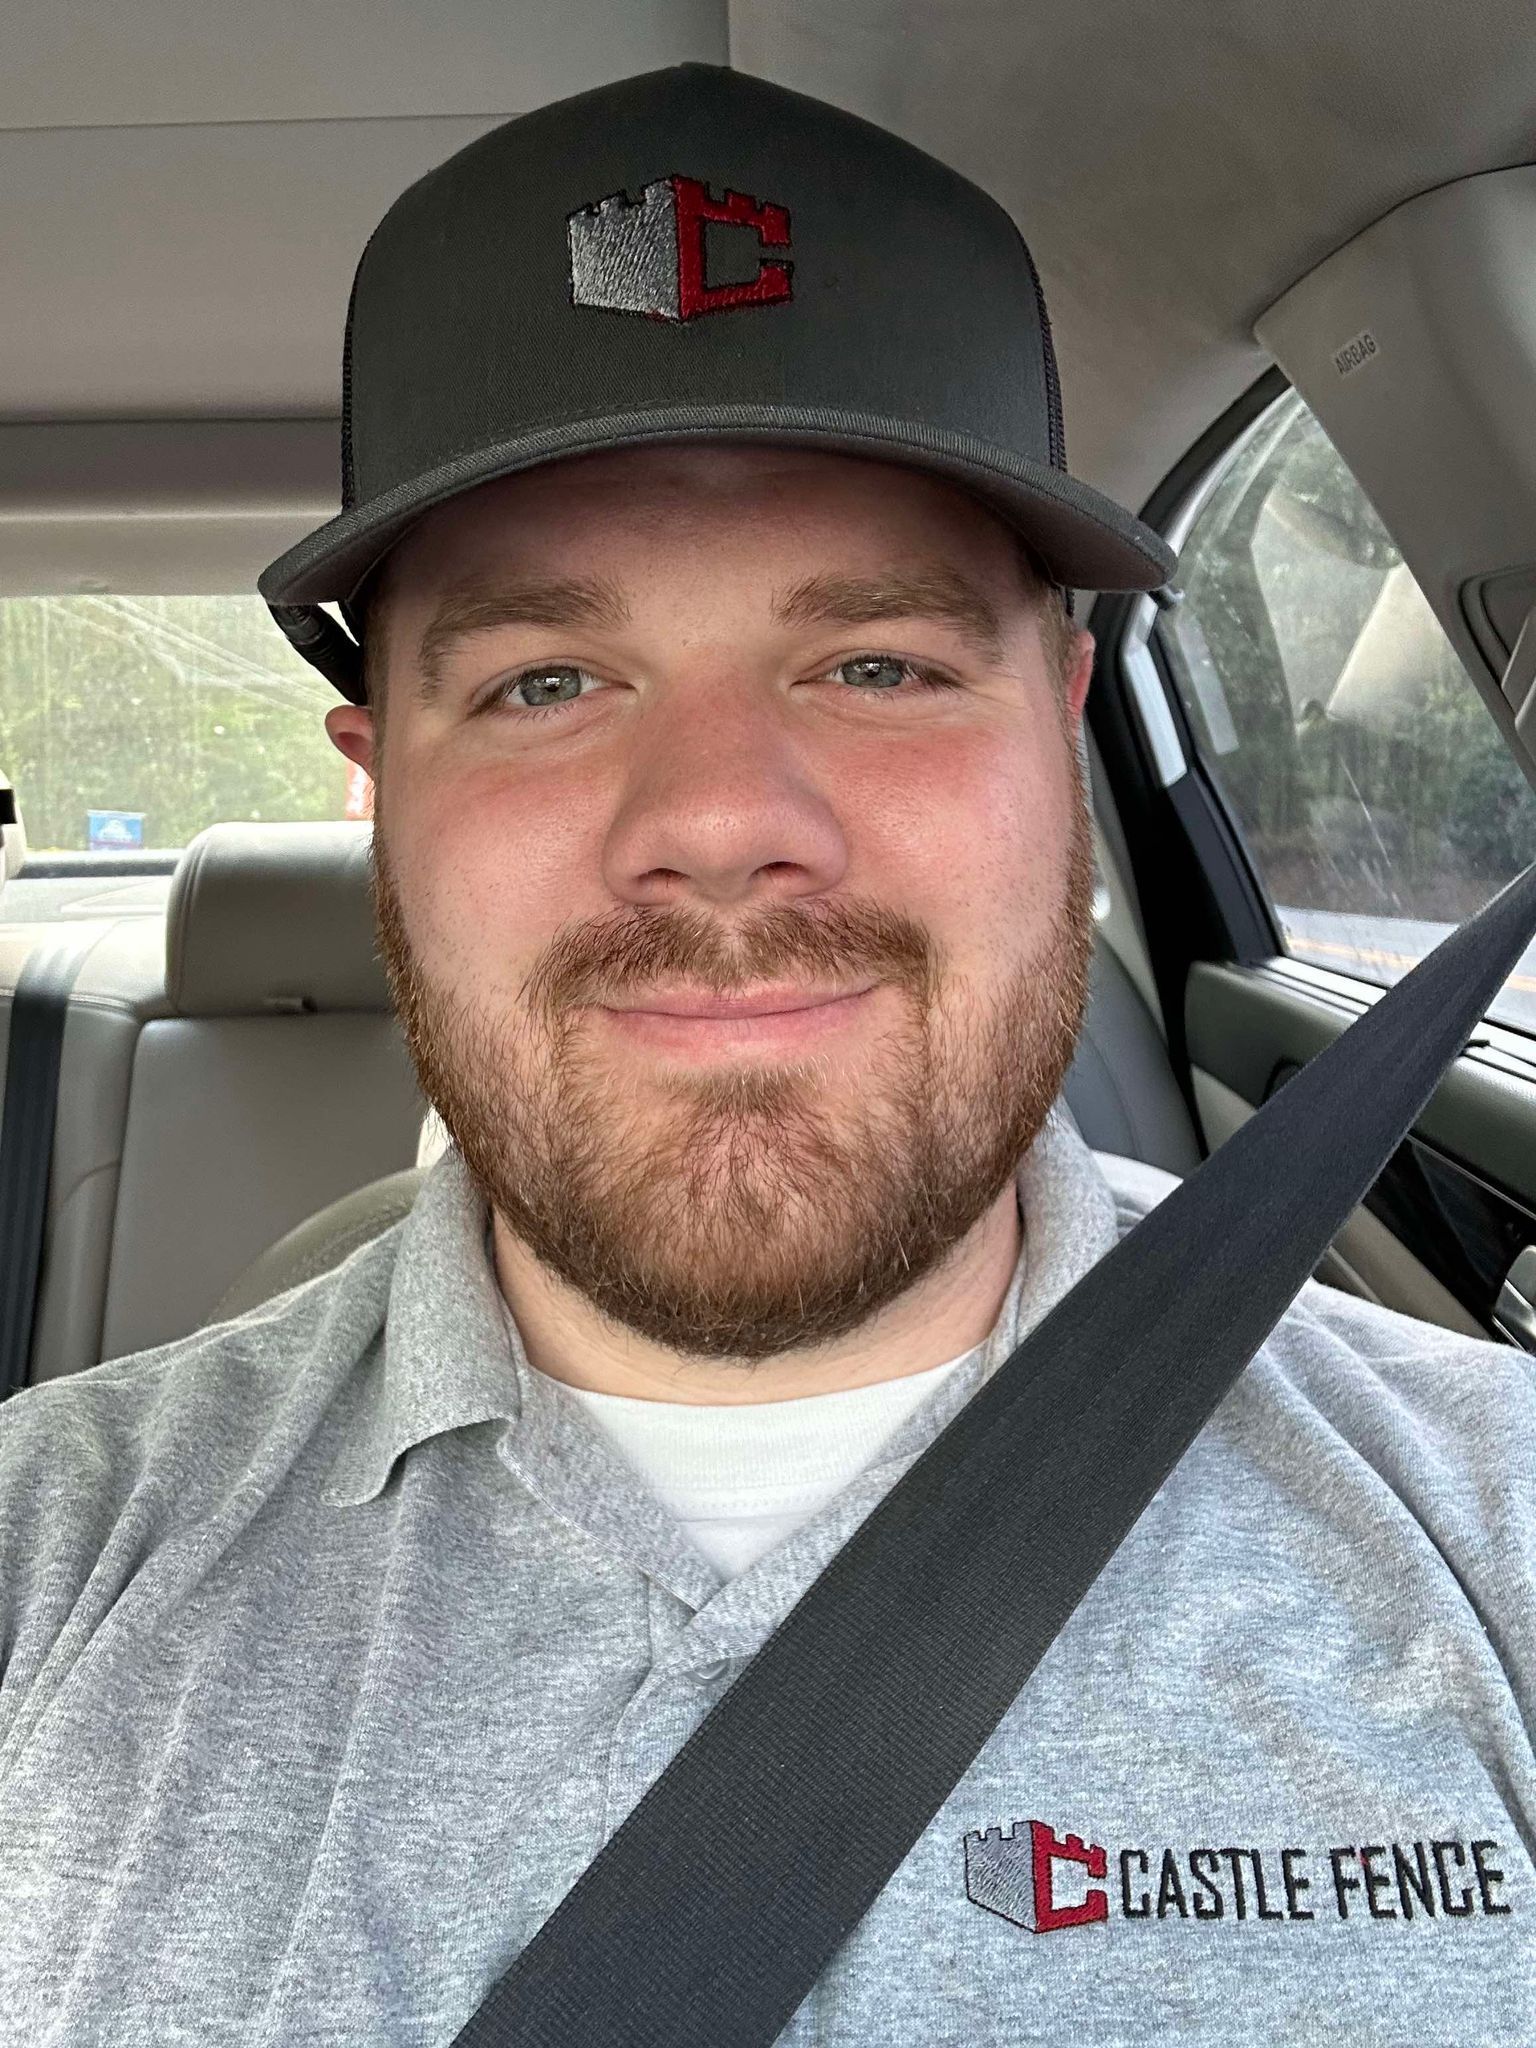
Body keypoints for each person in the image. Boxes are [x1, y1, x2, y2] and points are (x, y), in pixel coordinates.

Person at [1, 62, 1531, 2046]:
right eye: (550, 679)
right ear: (383, 788)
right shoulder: (50, 1572)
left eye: (877, 664)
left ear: (1060, 728)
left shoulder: (1497, 1531)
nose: (721, 815)